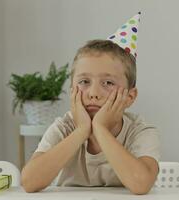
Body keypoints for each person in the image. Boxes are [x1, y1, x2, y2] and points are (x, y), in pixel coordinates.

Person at [21, 13, 160, 195]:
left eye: (108, 83)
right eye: (84, 82)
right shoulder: (65, 127)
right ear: (72, 90)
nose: (93, 93)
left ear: (130, 96)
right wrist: (81, 131)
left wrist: (100, 129)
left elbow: (141, 185)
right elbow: (29, 182)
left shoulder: (140, 131)